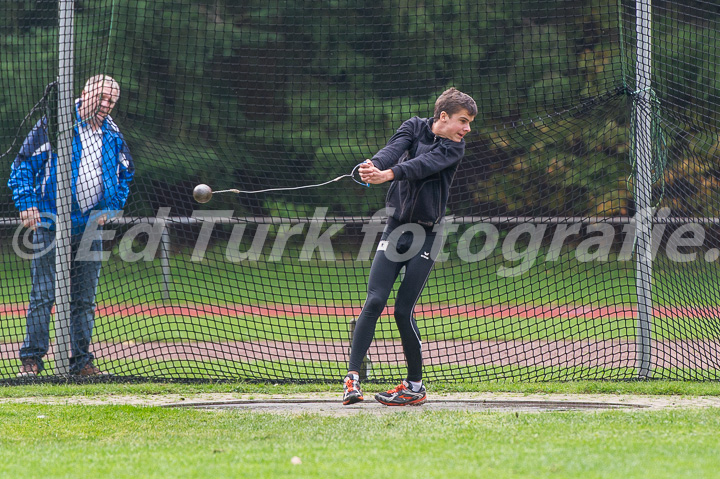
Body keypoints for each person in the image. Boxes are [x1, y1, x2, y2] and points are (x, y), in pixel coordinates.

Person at [343, 87, 477, 406]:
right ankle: (352, 379)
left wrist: (387, 174)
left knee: (403, 310)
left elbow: (421, 166)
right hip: (396, 229)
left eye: (470, 122)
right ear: (443, 117)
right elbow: (392, 150)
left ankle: (414, 387)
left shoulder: (453, 149)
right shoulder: (413, 126)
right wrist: (372, 168)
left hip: (427, 236)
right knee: (374, 301)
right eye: (463, 120)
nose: (467, 128)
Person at [8, 75, 134, 377]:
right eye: (102, 98)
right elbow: (22, 164)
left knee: (84, 299)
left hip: (91, 225)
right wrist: (27, 203)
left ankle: (81, 363)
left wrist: (110, 207)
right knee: (43, 294)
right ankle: (32, 360)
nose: (106, 105)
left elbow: (125, 173)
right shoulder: (56, 124)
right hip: (51, 223)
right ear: (85, 93)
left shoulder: (112, 134)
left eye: (111, 102)